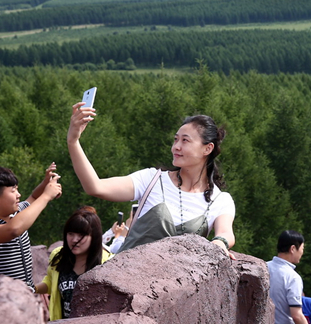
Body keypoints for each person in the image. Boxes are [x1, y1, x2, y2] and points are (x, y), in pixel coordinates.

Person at [68, 103, 236, 257]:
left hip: (177, 287)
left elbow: (226, 233)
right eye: (176, 139)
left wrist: (219, 243)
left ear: (208, 148)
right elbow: (96, 187)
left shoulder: (220, 200)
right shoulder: (152, 179)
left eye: (185, 140)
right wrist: (73, 142)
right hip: (126, 280)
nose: (176, 147)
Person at [0, 164, 62, 289]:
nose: (18, 195)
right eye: (13, 190)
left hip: (25, 299)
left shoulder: (17, 213)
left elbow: (34, 198)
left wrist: (45, 183)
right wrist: (46, 195)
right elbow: (13, 230)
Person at [35, 207, 113, 320]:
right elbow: (51, 282)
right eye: (70, 234)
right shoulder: (59, 256)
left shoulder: (107, 263)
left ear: (94, 237)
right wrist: (31, 289)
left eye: (81, 235)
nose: (74, 240)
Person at [267, 230, 307, 324]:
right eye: (302, 248)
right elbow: (296, 315)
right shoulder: (293, 277)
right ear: (293, 249)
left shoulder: (263, 267)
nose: (302, 253)